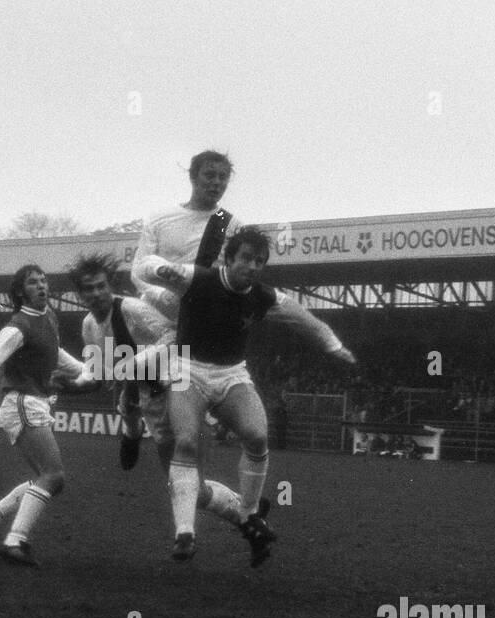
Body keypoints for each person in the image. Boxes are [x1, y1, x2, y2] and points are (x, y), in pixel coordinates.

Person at [134, 227, 357, 566]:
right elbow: (145, 267)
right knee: (187, 442)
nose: (253, 267)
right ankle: (185, 533)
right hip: (187, 370)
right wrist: (159, 268)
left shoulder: (262, 296)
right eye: (247, 258)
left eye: (260, 261)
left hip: (231, 374)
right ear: (228, 259)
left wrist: (333, 344)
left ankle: (250, 513)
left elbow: (303, 318)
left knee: (257, 436)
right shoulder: (198, 279)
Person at [67, 252, 247, 529]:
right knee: (185, 487)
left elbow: (174, 336)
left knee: (186, 484)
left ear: (110, 286)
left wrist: (135, 363)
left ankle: (240, 516)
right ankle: (246, 512)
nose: (96, 293)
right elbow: (98, 371)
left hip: (178, 387)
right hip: (149, 397)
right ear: (79, 294)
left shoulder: (130, 309)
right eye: (88, 289)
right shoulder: (89, 326)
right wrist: (73, 385)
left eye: (101, 286)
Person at [0, 264, 94, 568]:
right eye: (34, 282)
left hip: (33, 402)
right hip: (22, 402)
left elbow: (54, 352)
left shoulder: (48, 317)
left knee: (46, 478)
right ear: (21, 292)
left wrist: (85, 371)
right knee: (54, 476)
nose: (42, 286)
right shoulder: (18, 325)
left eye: (44, 280)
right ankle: (15, 542)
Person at [131, 150, 249, 326]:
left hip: (203, 320)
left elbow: (236, 276)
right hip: (156, 319)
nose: (216, 182)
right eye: (209, 175)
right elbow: (138, 271)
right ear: (193, 177)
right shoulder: (159, 219)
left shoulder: (232, 225)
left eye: (222, 177)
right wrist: (162, 295)